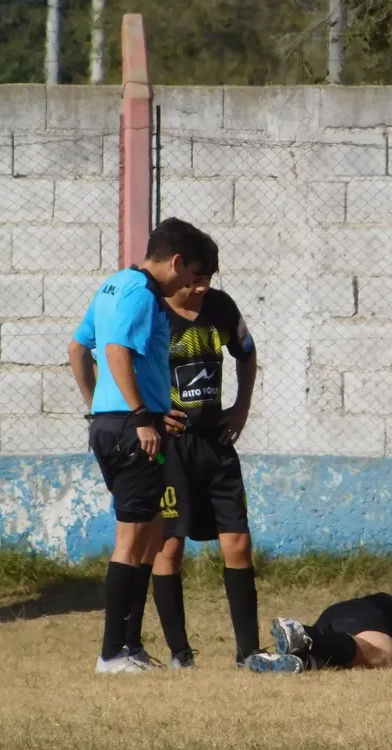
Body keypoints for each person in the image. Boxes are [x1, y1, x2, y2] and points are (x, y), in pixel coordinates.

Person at [68, 217, 214, 675]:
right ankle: (111, 653)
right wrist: (137, 417)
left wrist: (101, 408)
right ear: (176, 262)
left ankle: (130, 645)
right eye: (190, 276)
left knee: (151, 531)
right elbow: (114, 351)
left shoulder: (112, 285)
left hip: (117, 424)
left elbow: (77, 348)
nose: (190, 286)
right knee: (131, 539)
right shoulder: (141, 293)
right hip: (134, 429)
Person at [144, 254, 263, 669]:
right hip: (171, 448)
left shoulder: (222, 307)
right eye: (196, 279)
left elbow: (246, 353)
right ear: (178, 271)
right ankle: (180, 653)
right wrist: (148, 413)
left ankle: (248, 652)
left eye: (208, 279)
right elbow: (123, 364)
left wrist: (241, 407)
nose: (202, 288)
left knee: (239, 542)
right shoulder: (152, 310)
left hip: (216, 443)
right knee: (169, 546)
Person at [244, 593, 392, 673]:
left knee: (332, 661)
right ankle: (305, 634)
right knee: (387, 655)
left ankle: (302, 659)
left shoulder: (383, 602)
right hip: (368, 615)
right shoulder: (390, 603)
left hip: (331, 616)